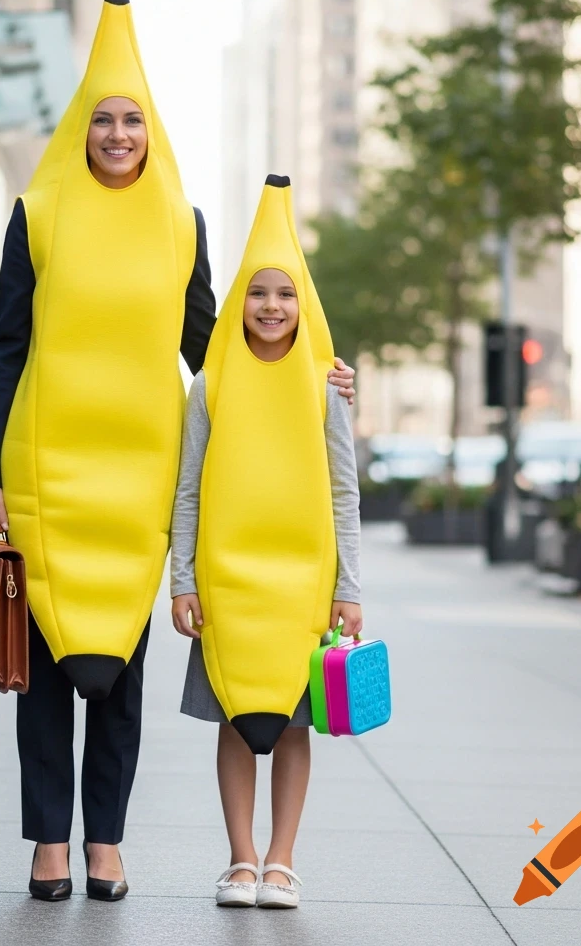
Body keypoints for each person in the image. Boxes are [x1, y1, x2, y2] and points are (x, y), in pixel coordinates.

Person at [0, 0, 356, 902]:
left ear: (151, 132)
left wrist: (315, 377)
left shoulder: (183, 226)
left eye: (131, 119)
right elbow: (5, 347)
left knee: (119, 670)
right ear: (81, 127)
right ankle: (48, 843)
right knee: (45, 668)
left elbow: (210, 345)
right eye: (101, 118)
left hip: (140, 475)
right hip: (45, 467)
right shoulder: (37, 213)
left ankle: (105, 840)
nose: (115, 133)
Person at [170, 175, 363, 910]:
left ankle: (282, 858)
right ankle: (240, 858)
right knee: (231, 713)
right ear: (238, 303)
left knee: (290, 721)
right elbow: (189, 489)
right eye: (257, 293)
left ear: (302, 304)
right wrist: (182, 578)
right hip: (225, 584)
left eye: (285, 294)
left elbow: (344, 490)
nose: (272, 307)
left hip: (302, 586)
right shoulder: (210, 386)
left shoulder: (326, 388)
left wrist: (348, 586)